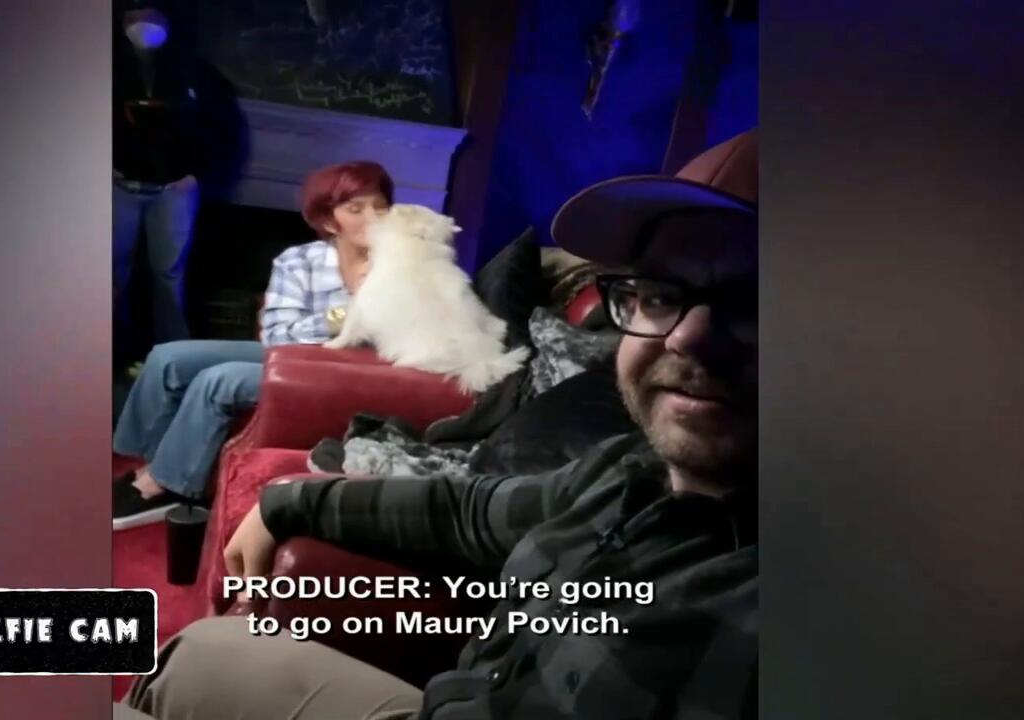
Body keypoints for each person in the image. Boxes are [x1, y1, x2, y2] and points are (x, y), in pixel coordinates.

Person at [118, 129, 760, 719]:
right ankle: (141, 470)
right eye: (660, 295)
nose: (688, 338)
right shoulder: (626, 471)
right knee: (198, 651)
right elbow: (469, 510)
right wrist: (287, 500)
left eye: (760, 299)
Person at [112, 161, 394, 530]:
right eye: (356, 209)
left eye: (380, 207)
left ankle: (165, 485)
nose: (373, 218)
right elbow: (276, 337)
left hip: (348, 369)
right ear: (329, 221)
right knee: (168, 358)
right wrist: (341, 317)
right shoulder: (299, 260)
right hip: (292, 355)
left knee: (220, 379)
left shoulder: (404, 267)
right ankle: (152, 463)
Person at [113, 0, 248, 351]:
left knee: (169, 274)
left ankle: (171, 351)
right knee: (111, 273)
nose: (142, 23)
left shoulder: (197, 72)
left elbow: (222, 131)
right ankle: (110, 349)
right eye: (134, 14)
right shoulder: (108, 65)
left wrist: (197, 176)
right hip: (118, 187)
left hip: (174, 190)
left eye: (151, 14)